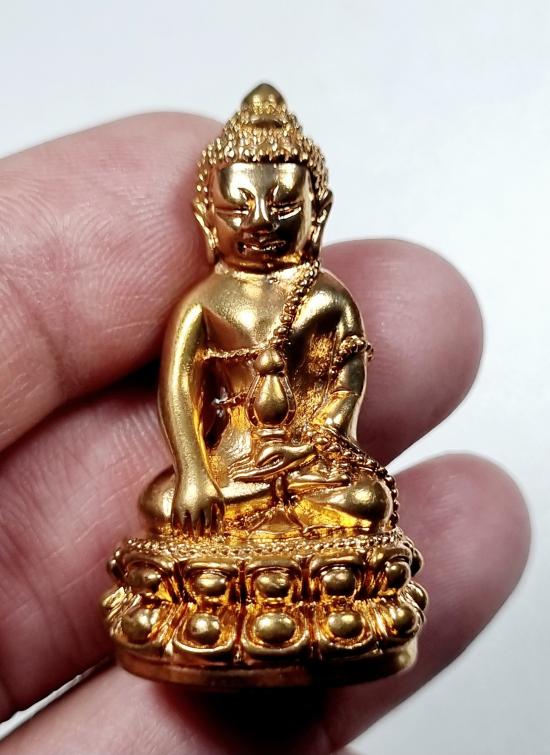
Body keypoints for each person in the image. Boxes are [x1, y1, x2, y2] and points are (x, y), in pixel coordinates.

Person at [0, 99, 529, 752]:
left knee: (363, 503)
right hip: (234, 462)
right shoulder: (206, 301)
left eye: (281, 205)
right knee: (163, 503)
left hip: (309, 462)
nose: (260, 222)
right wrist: (196, 474)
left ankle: (249, 592)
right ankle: (302, 593)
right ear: (209, 217)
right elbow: (179, 393)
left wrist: (314, 446)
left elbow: (342, 391)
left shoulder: (325, 297)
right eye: (239, 207)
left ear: (315, 212)